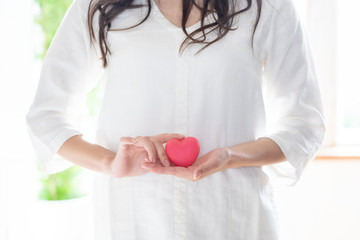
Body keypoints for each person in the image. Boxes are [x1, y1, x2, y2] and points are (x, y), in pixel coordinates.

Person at [25, 0, 326, 239]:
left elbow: (304, 125)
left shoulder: (268, 8)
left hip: (231, 218)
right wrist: (110, 162)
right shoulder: (100, 8)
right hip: (132, 219)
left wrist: (229, 156)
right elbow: (46, 117)